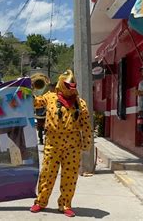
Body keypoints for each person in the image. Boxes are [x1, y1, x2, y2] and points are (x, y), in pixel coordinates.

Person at [30, 70, 92, 218]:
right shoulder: (49, 97)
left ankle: (65, 204)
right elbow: (35, 102)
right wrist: (28, 88)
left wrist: (87, 143)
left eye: (73, 86)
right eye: (68, 86)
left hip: (73, 144)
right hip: (52, 142)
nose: (71, 89)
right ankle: (41, 201)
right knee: (47, 173)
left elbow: (86, 125)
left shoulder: (80, 103)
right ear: (61, 84)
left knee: (69, 176)